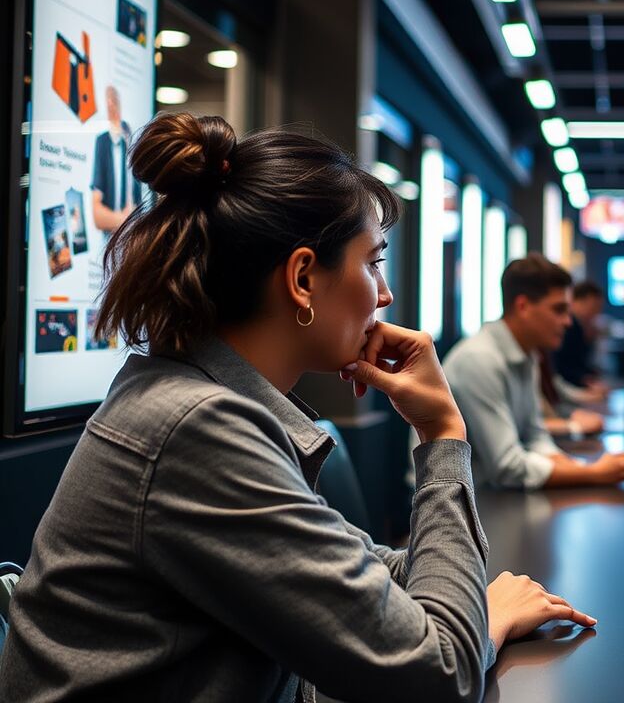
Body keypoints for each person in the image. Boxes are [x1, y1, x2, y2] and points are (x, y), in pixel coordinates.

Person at [0, 113, 593, 702]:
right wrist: (442, 434)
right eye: (373, 261)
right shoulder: (195, 427)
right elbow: (441, 673)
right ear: (304, 278)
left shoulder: (197, 397)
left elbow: (343, 565)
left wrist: (453, 598)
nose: (384, 295)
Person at [444, 255, 624, 490]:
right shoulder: (478, 360)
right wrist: (591, 473)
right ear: (523, 306)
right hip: (459, 509)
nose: (568, 322)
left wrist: (575, 468)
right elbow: (507, 467)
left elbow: (536, 436)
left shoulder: (529, 355)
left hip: (492, 497)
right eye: (559, 310)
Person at [90, 85, 144, 236]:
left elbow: (139, 205)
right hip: (110, 237)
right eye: (108, 103)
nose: (112, 107)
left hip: (131, 238)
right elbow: (98, 218)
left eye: (114, 101)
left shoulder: (130, 141)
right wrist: (124, 220)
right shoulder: (103, 141)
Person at [553, 279, 604, 388]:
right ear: (576, 301)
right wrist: (583, 379)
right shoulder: (569, 326)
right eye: (593, 307)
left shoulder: (582, 328)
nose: (596, 313)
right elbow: (560, 367)